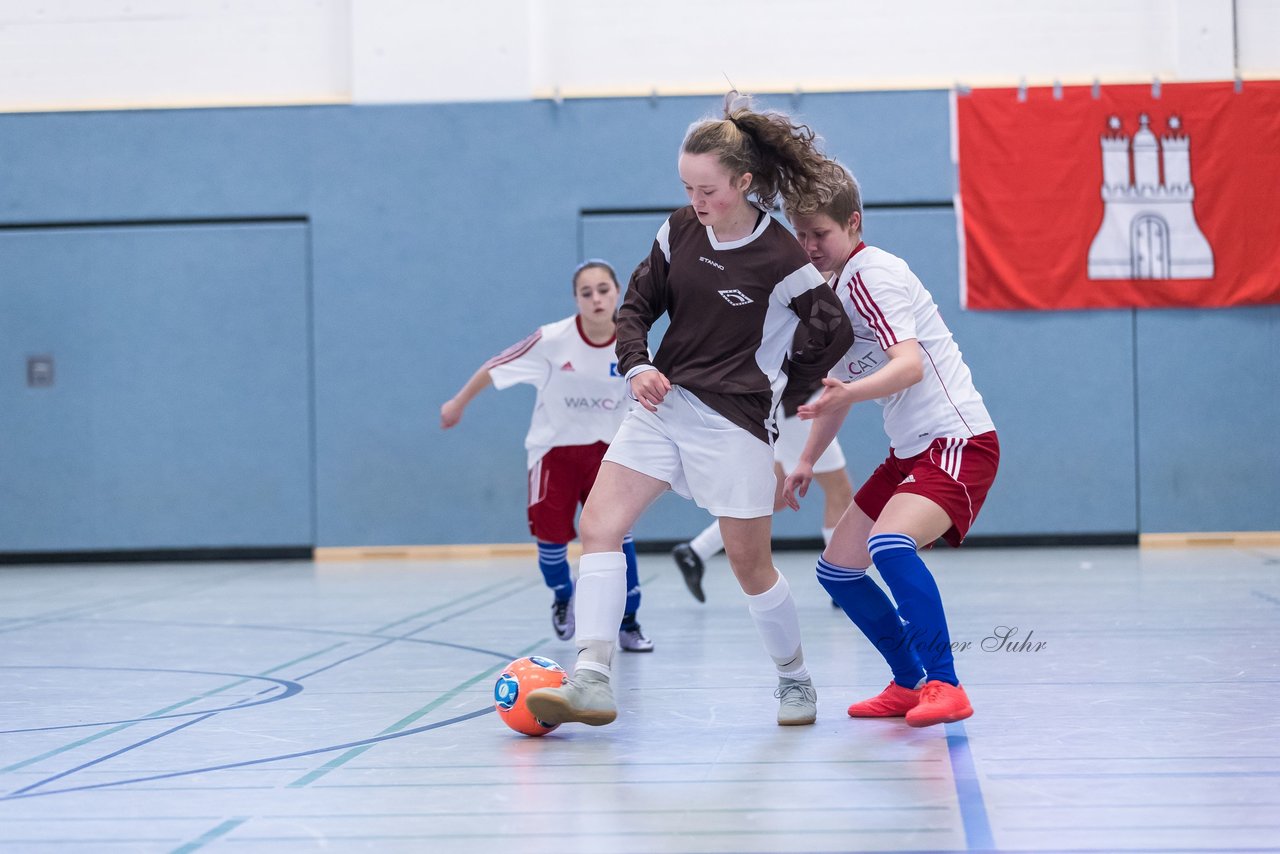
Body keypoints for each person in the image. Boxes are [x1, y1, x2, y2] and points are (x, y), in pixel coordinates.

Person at [525, 92, 854, 729]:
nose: (697, 202)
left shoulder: (782, 259)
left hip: (736, 423)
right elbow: (637, 308)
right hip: (662, 405)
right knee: (598, 526)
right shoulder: (678, 229)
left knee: (748, 564)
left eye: (708, 190)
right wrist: (639, 361)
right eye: (688, 187)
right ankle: (592, 677)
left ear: (743, 182)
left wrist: (782, 392)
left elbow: (831, 332)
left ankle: (795, 680)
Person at [781, 160, 999, 728]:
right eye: (800, 235)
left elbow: (909, 368)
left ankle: (946, 684)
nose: (809, 246)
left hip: (958, 440)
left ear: (853, 224)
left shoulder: (871, 275)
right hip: (911, 450)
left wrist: (844, 391)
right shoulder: (832, 291)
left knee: (890, 543)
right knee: (838, 570)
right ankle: (909, 682)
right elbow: (840, 389)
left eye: (820, 234)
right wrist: (806, 458)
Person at [440, 260, 653, 653]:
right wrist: (459, 402)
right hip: (554, 453)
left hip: (609, 456)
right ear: (576, 299)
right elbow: (495, 366)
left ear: (617, 291)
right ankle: (562, 593)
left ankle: (629, 620)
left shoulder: (634, 345)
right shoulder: (551, 339)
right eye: (586, 292)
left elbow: (651, 394)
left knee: (618, 536)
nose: (596, 298)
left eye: (603, 289)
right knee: (550, 540)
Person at [670, 330, 855, 605]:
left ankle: (695, 551)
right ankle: (840, 580)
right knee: (839, 491)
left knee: (777, 496)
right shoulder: (804, 299)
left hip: (793, 406)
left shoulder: (806, 302)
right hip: (800, 408)